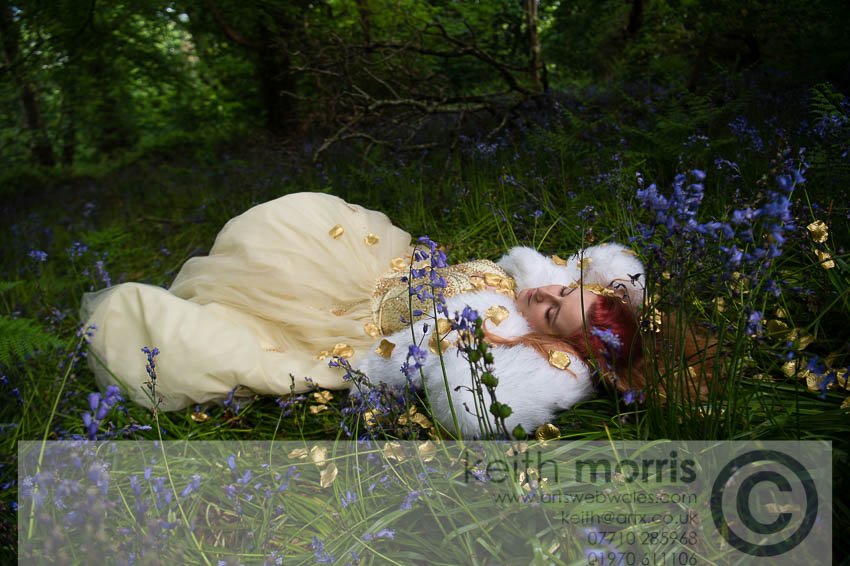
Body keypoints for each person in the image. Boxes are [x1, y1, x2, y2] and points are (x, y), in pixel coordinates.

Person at [81, 192, 646, 437]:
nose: (540, 300)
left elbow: (473, 404)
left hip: (358, 327)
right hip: (380, 265)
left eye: (550, 315)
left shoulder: (504, 335)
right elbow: (610, 266)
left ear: (553, 343)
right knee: (285, 227)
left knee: (234, 325)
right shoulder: (536, 276)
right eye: (556, 291)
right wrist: (616, 292)